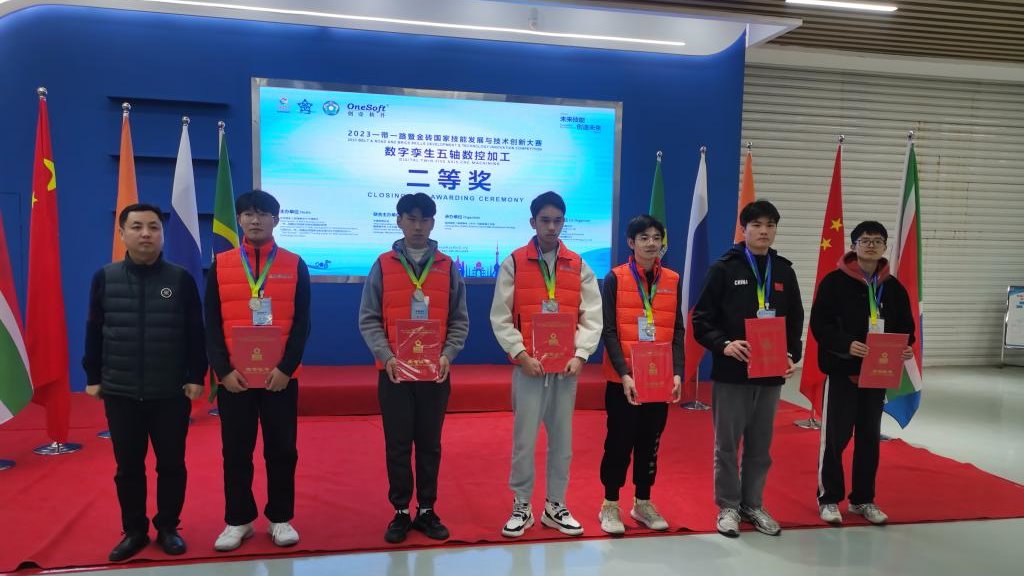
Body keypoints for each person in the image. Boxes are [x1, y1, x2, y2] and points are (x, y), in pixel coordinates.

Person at [83, 203, 207, 561]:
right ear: (122, 233)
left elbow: (194, 332)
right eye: (137, 227)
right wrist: (93, 376)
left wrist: (196, 376)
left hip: (170, 391)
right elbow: (94, 329)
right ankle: (134, 531)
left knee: (171, 465)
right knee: (128, 468)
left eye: (153, 227)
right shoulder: (105, 277)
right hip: (120, 391)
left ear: (162, 234)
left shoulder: (180, 279)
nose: (146, 234)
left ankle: (168, 527)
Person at [490, 191, 602, 538]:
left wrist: (581, 354)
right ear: (533, 222)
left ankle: (556, 505)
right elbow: (500, 316)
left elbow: (592, 315)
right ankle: (522, 505)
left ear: (564, 222)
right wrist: (521, 354)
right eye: (545, 220)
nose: (551, 227)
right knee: (524, 441)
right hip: (529, 368)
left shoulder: (578, 265)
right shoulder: (513, 262)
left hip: (565, 371)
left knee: (562, 443)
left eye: (557, 221)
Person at [358, 192, 469, 544]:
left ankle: (427, 509)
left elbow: (459, 320)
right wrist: (386, 356)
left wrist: (448, 355)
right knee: (398, 444)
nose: (418, 226)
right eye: (411, 218)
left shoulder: (448, 266)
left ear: (433, 223)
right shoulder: (382, 265)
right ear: (399, 221)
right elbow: (368, 318)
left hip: (435, 373)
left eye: (424, 219)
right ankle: (401, 511)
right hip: (394, 373)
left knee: (430, 444)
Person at [205, 190, 311, 551]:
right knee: (236, 452)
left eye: (263, 214)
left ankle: (280, 518)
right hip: (234, 380)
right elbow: (210, 322)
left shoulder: (295, 264)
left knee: (282, 450)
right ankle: (238, 520)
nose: (255, 220)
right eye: (248, 214)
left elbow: (302, 324)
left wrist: (286, 368)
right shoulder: (221, 265)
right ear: (238, 220)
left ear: (276, 220)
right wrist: (222, 371)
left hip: (279, 379)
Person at [692, 200, 804, 538]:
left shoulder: (784, 271)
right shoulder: (723, 269)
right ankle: (728, 505)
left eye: (770, 225)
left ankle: (752, 504)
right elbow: (701, 320)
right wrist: (724, 344)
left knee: (760, 445)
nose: (764, 231)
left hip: (770, 374)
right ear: (744, 229)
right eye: (756, 225)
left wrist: (790, 355)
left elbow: (795, 320)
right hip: (732, 373)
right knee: (727, 445)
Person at [810, 221, 915, 526]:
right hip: (843, 373)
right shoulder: (834, 283)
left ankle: (863, 499)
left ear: (885, 247)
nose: (871, 245)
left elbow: (905, 327)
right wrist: (846, 344)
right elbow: (820, 325)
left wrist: (905, 348)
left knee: (869, 440)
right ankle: (828, 498)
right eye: (865, 240)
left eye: (877, 240)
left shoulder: (893, 288)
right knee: (836, 439)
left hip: (877, 375)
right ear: (853, 245)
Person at [597, 214, 683, 535]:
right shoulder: (615, 278)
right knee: (619, 443)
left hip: (658, 379)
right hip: (624, 381)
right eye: (644, 238)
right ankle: (609, 504)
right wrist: (624, 374)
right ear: (631, 243)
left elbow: (677, 330)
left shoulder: (672, 279)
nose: (651, 244)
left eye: (656, 238)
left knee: (650, 443)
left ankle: (642, 502)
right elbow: (608, 330)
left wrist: (677, 373)